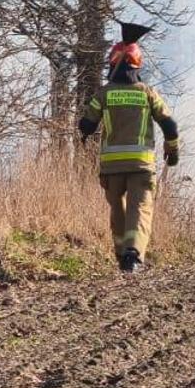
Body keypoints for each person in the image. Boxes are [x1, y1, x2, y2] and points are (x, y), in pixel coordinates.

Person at [78, 38, 181, 272]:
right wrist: (172, 152)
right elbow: (170, 126)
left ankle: (121, 255)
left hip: (111, 168)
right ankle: (133, 255)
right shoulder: (147, 93)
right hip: (141, 166)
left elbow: (86, 125)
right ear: (138, 64)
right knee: (140, 209)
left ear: (112, 63)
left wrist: (84, 122)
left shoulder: (104, 94)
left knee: (118, 211)